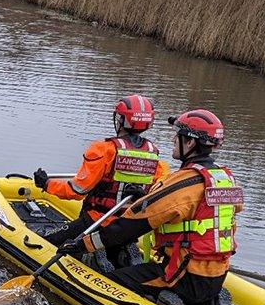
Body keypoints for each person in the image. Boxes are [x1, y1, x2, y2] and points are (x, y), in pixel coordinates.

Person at [59, 109, 242, 305]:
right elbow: (195, 211)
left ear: (191, 143)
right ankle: (210, 303)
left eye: (179, 136)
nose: (174, 140)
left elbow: (128, 228)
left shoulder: (185, 182)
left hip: (180, 275)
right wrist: (146, 195)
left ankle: (169, 303)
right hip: (215, 275)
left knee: (111, 281)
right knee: (176, 274)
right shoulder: (225, 179)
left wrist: (82, 244)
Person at [34, 95, 169, 270]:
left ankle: (94, 255)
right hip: (126, 225)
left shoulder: (104, 150)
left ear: (120, 120)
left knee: (48, 240)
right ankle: (119, 251)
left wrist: (46, 184)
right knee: (117, 242)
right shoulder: (154, 155)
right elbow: (159, 188)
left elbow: (77, 190)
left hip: (97, 220)